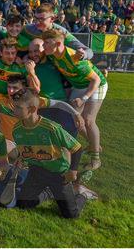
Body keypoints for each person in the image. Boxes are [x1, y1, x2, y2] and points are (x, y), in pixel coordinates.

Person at [11, 88, 96, 218]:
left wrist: (72, 171)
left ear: (32, 109)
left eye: (18, 107)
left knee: (71, 214)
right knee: (23, 204)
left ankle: (83, 194)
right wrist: (20, 158)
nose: (13, 110)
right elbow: (25, 150)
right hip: (36, 172)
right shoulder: (17, 130)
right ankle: (47, 193)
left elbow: (77, 148)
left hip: (58, 174)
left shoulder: (51, 128)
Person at [42, 29, 107, 171]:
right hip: (79, 85)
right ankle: (93, 143)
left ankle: (96, 159)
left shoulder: (74, 58)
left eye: (47, 43)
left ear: (58, 43)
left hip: (96, 84)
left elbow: (95, 80)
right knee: (74, 118)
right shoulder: (52, 54)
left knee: (89, 120)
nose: (43, 46)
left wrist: (84, 98)